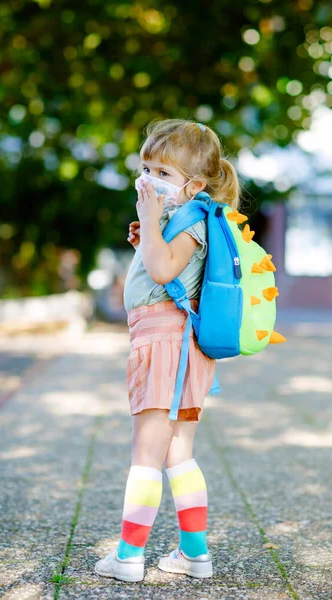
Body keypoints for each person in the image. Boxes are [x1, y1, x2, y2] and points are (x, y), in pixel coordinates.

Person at [95, 118, 243, 583]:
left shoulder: (192, 217)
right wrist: (150, 235)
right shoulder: (190, 216)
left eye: (163, 173)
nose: (149, 179)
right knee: (178, 451)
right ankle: (193, 554)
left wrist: (154, 226)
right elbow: (166, 265)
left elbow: (161, 272)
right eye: (145, 167)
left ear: (194, 184)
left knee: (147, 450)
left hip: (165, 343)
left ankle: (128, 555)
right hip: (180, 346)